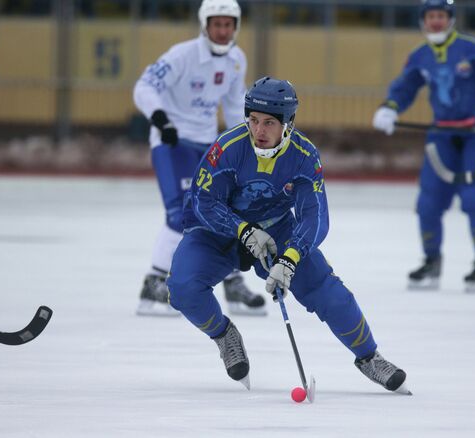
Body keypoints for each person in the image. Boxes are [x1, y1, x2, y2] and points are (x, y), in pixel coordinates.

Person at [166, 77, 411, 394]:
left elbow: (315, 216)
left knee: (327, 290)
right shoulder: (226, 148)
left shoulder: (304, 157)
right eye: (253, 120)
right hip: (218, 231)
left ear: (288, 124)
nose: (259, 131)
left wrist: (290, 258)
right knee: (182, 288)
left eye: (269, 123)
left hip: (276, 229)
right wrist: (243, 229)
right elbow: (203, 202)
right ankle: (224, 335)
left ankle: (370, 357)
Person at [372, 0, 475, 293]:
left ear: (451, 19)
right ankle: (431, 261)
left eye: (441, 16)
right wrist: (390, 107)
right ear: (423, 21)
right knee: (428, 203)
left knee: (474, 198)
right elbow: (405, 87)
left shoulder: (474, 50)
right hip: (442, 135)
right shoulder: (420, 56)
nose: (435, 21)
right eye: (430, 16)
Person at [133, 0, 266, 317]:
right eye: (216, 24)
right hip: (172, 142)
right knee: (182, 212)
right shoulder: (182, 55)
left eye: (228, 25)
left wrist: (246, 145)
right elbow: (144, 86)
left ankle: (232, 284)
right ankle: (153, 285)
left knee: (225, 208)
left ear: (236, 27)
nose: (223, 31)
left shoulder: (236, 60)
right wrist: (160, 118)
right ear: (204, 26)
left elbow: (236, 106)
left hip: (209, 144)